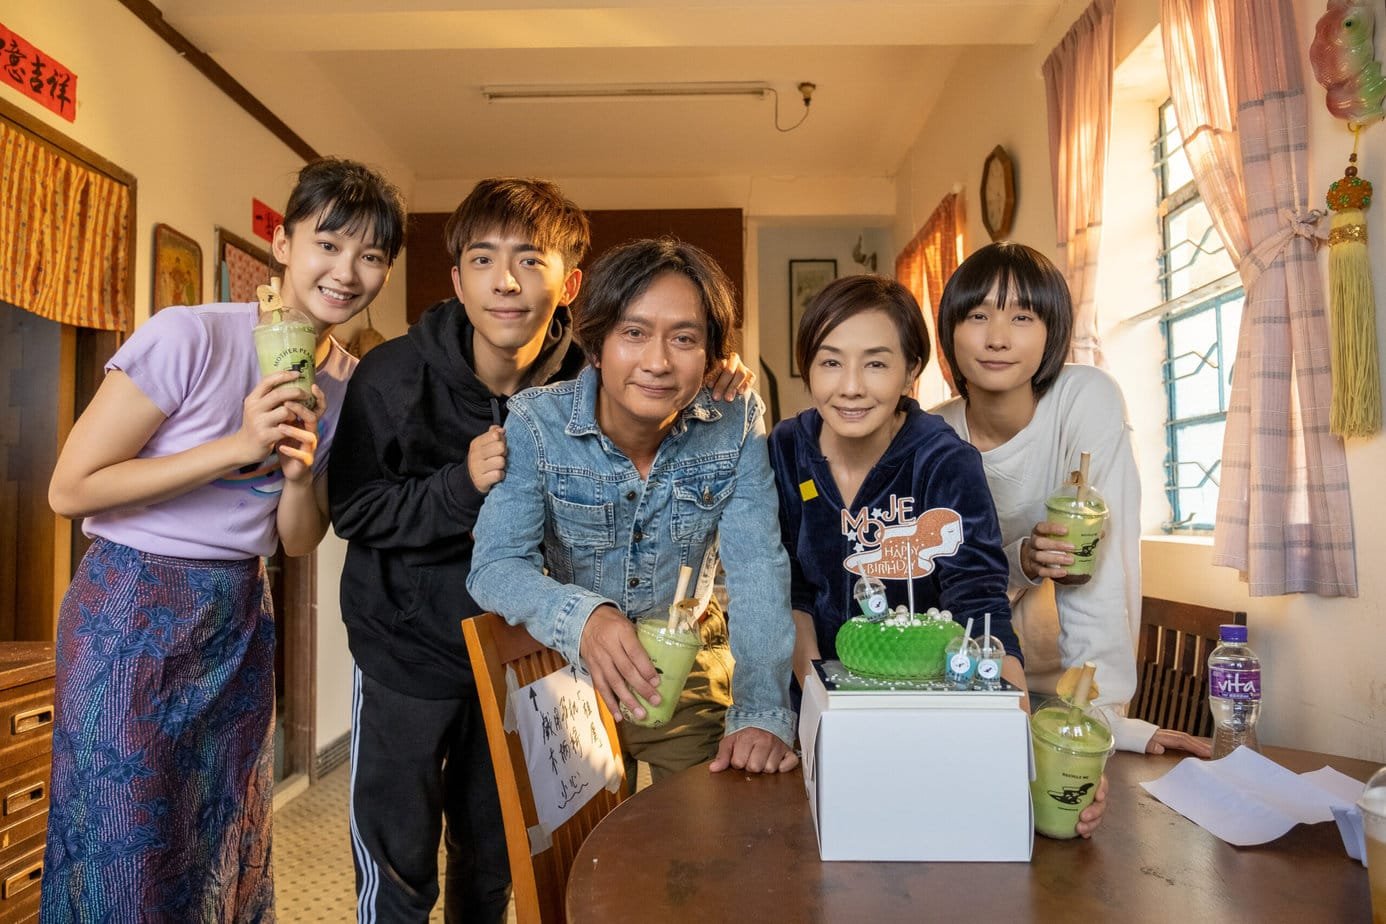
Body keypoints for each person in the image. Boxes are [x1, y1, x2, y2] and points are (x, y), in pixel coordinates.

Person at [330, 185, 754, 923]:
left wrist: (714, 376)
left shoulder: (591, 377)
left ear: (570, 282)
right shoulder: (391, 376)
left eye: (531, 261)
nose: (505, 282)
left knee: (495, 860)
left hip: (532, 657)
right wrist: (459, 485)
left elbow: (663, 407)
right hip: (407, 652)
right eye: (482, 260)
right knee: (398, 864)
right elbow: (354, 509)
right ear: (457, 278)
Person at [41, 158, 406, 921]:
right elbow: (70, 488)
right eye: (329, 244)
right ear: (283, 243)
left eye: (371, 256)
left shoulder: (346, 382)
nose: (347, 272)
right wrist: (236, 446)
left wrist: (298, 479)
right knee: (124, 847)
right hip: (130, 609)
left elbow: (297, 541)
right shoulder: (190, 336)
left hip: (238, 614)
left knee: (221, 837)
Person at [467, 238, 798, 783]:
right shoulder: (536, 423)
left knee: (706, 829)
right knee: (585, 837)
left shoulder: (734, 421)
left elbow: (758, 567)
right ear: (596, 345)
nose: (658, 363)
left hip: (688, 662)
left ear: (712, 356)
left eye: (684, 338)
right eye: (634, 333)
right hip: (569, 672)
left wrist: (762, 711)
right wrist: (585, 618)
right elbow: (495, 566)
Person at [932, 241, 1210, 758]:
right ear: (949, 329)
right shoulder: (932, 434)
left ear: (1052, 330)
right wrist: (1022, 560)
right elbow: (937, 581)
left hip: (1067, 689)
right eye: (977, 315)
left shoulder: (1085, 398)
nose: (997, 338)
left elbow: (1100, 564)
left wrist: (1099, 714)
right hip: (965, 679)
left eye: (1022, 317)